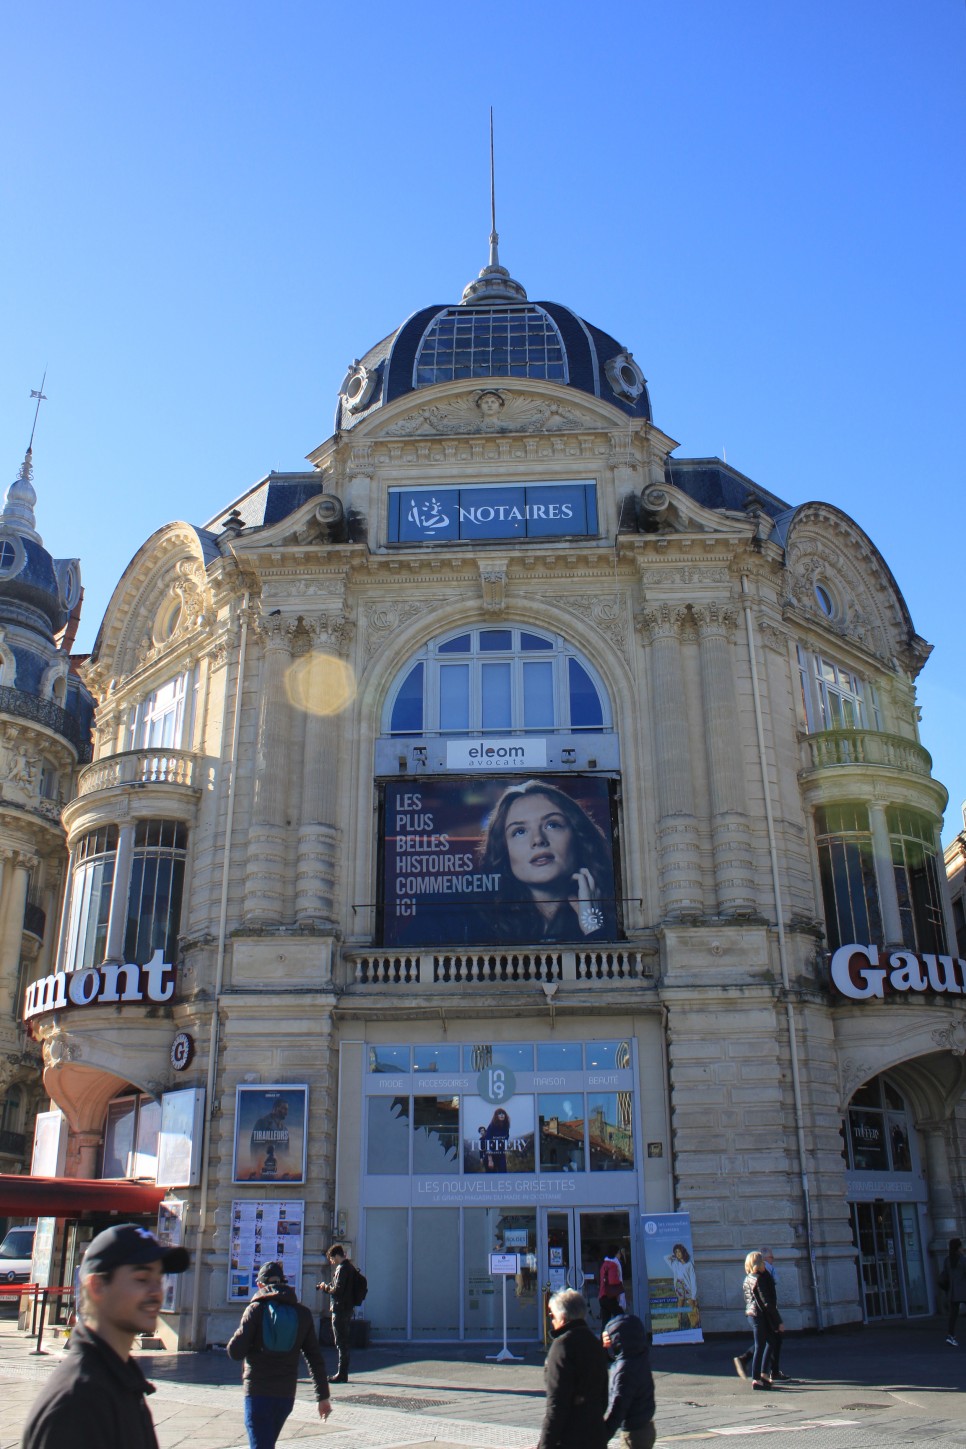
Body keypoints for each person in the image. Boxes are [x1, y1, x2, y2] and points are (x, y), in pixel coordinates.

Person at [21, 1221, 190, 1449]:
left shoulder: (120, 1381)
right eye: (142, 1279)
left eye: (159, 1280)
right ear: (97, 1285)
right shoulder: (78, 1403)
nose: (156, 1292)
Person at [477, 780, 617, 944]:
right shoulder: (479, 921)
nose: (538, 839)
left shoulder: (618, 912)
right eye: (519, 831)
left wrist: (592, 924)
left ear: (578, 836)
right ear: (504, 851)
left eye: (552, 825)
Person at [227, 1259, 331, 1448]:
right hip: (285, 1395)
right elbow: (314, 1358)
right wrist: (322, 1397)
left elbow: (235, 1351)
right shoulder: (302, 1313)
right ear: (283, 1282)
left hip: (257, 1392)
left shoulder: (255, 1310)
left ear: (260, 1285)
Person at [535, 1289, 609, 1449]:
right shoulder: (594, 1343)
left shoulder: (561, 1346)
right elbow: (603, 1399)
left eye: (552, 1315)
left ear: (562, 1317)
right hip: (596, 1436)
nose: (551, 1320)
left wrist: (545, 1445)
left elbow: (556, 1405)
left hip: (570, 1439)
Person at [602, 1313, 656, 1449]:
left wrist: (603, 1436)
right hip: (645, 1425)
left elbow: (619, 1407)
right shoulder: (639, 1357)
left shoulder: (624, 1369)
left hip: (633, 1434)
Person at [733, 1246, 788, 1380]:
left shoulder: (749, 1278)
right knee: (762, 1344)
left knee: (769, 1341)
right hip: (760, 1314)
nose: (767, 1262)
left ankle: (763, 1373)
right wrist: (777, 1320)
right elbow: (766, 1301)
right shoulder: (760, 1277)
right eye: (764, 1260)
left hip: (753, 1313)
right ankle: (758, 1377)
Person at [317, 1243, 356, 1383]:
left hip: (340, 1309)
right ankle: (343, 1372)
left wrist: (325, 1288)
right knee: (343, 1342)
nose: (332, 1262)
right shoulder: (350, 1267)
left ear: (336, 1256)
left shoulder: (342, 1268)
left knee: (340, 1342)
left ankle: (342, 1374)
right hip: (347, 1308)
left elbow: (337, 1289)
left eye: (332, 1259)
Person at [664, 1243, 698, 1331]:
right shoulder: (675, 1264)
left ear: (683, 1251)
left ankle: (694, 1325)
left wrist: (694, 1296)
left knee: (691, 1304)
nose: (678, 1254)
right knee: (680, 1304)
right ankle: (679, 1322)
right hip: (679, 1285)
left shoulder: (689, 1264)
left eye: (679, 1251)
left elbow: (693, 1280)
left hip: (688, 1286)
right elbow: (665, 1257)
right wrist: (673, 1255)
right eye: (676, 1252)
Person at [939, 1237, 966, 1345]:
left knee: (953, 1315)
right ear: (958, 1247)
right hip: (963, 1290)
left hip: (952, 1292)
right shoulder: (963, 1260)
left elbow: (945, 1275)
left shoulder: (947, 1260)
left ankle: (950, 1335)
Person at [599, 1245, 624, 1330]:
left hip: (602, 1296)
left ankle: (603, 1337)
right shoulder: (613, 1265)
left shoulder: (604, 1264)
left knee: (605, 1322)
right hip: (610, 1297)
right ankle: (623, 1335)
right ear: (616, 1254)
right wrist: (619, 1282)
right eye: (619, 1253)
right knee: (622, 1318)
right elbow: (613, 1281)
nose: (620, 1255)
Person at [479, 1107, 511, 1172]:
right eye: (499, 1113)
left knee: (503, 1174)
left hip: (501, 1155)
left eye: (503, 1113)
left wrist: (504, 1157)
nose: (501, 1115)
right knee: (491, 1176)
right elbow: (488, 1143)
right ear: (496, 1116)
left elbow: (504, 1143)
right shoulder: (491, 1126)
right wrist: (490, 1160)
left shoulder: (506, 1127)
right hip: (491, 1156)